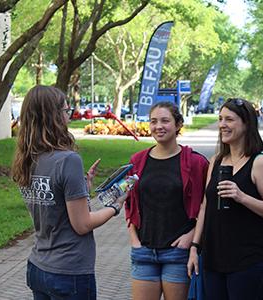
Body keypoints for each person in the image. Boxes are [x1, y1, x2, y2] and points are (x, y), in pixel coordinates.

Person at [11, 85, 125, 300]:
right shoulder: (67, 160)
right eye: (66, 111)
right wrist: (115, 206)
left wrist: (82, 189)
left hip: (38, 267)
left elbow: (50, 209)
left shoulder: (25, 160)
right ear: (53, 116)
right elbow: (82, 225)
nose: (69, 117)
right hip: (69, 271)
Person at [187, 98, 263, 300]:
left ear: (246, 123)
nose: (222, 125)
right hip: (213, 261)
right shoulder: (215, 161)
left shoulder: (260, 163)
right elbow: (205, 207)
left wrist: (242, 197)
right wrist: (195, 248)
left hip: (248, 262)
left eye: (229, 119)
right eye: (220, 119)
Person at [125, 102, 209, 300]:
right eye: (153, 121)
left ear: (178, 124)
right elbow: (128, 202)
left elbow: (208, 207)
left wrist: (192, 236)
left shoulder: (197, 163)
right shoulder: (136, 161)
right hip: (144, 251)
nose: (158, 126)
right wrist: (134, 240)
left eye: (165, 121)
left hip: (178, 254)